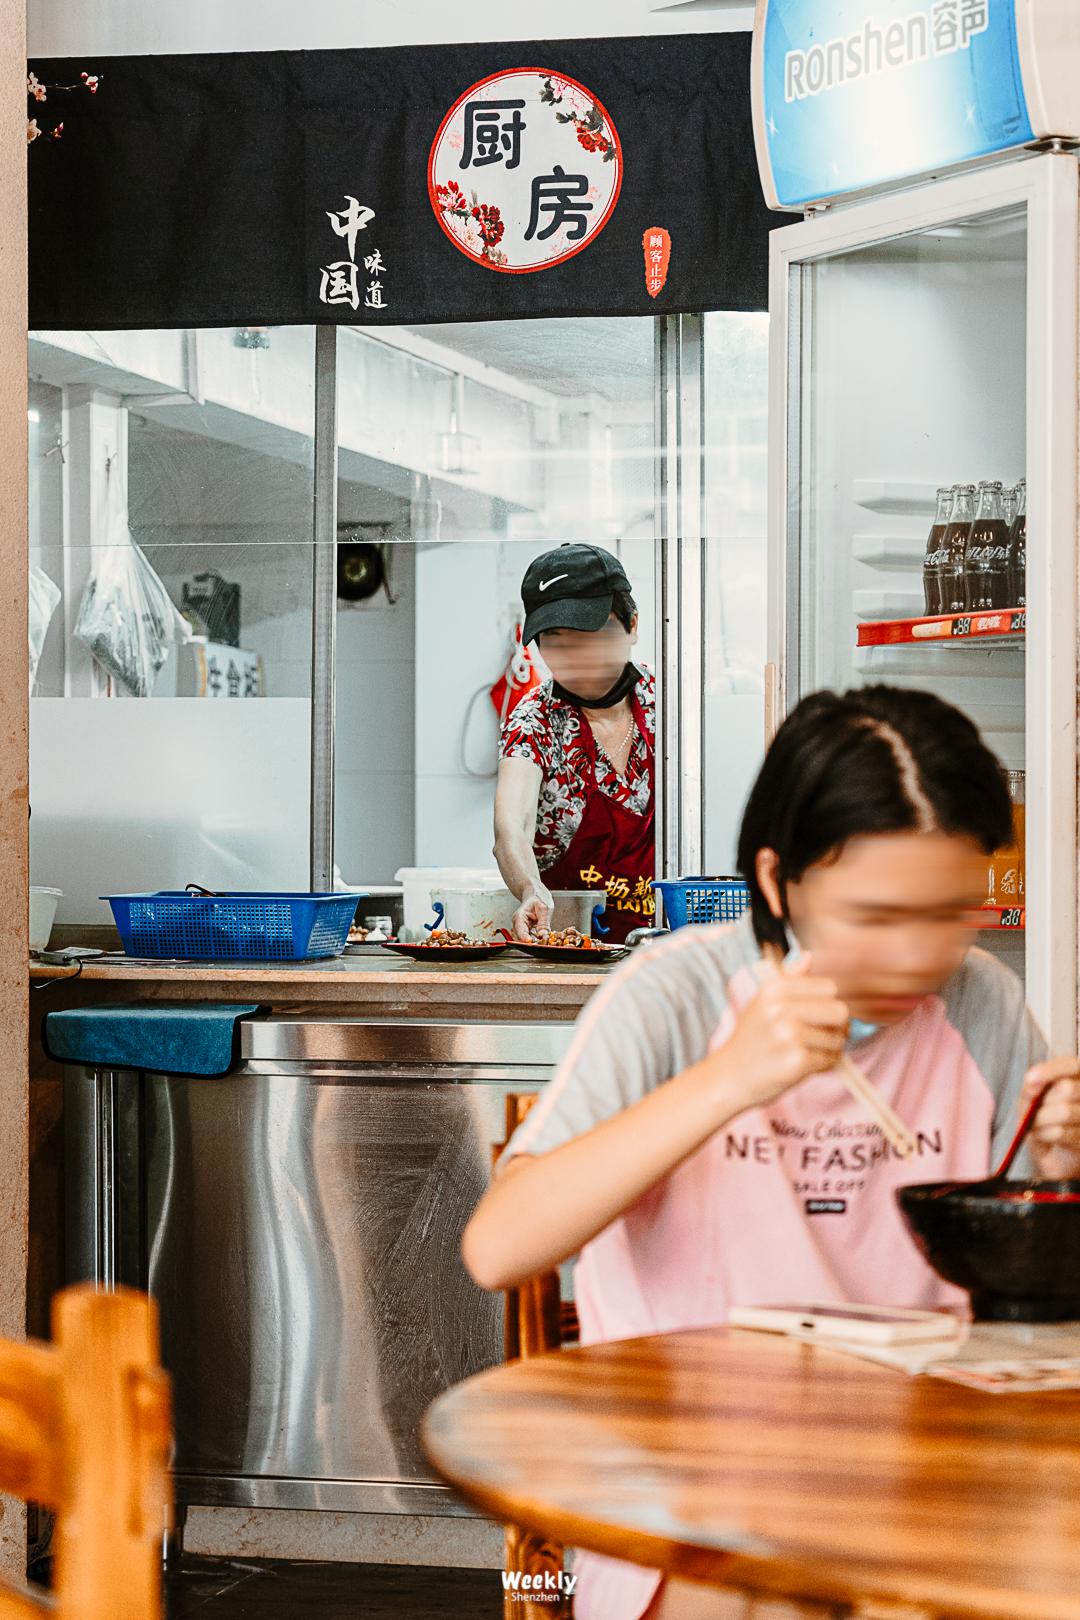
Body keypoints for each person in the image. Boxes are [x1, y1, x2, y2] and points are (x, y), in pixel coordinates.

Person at [464, 684, 1080, 1620]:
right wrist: (729, 1080)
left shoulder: (980, 1003)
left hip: (926, 1473)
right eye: (876, 916)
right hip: (693, 1487)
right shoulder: (674, 997)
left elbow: (1027, 1281)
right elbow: (500, 1247)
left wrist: (1064, 1163)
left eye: (953, 912)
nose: (919, 957)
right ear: (778, 880)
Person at [494, 543, 655, 944]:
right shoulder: (535, 719)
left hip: (666, 945)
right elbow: (511, 829)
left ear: (632, 625)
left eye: (589, 635)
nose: (573, 658)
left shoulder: (671, 704)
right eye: (555, 640)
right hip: (570, 946)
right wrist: (531, 888)